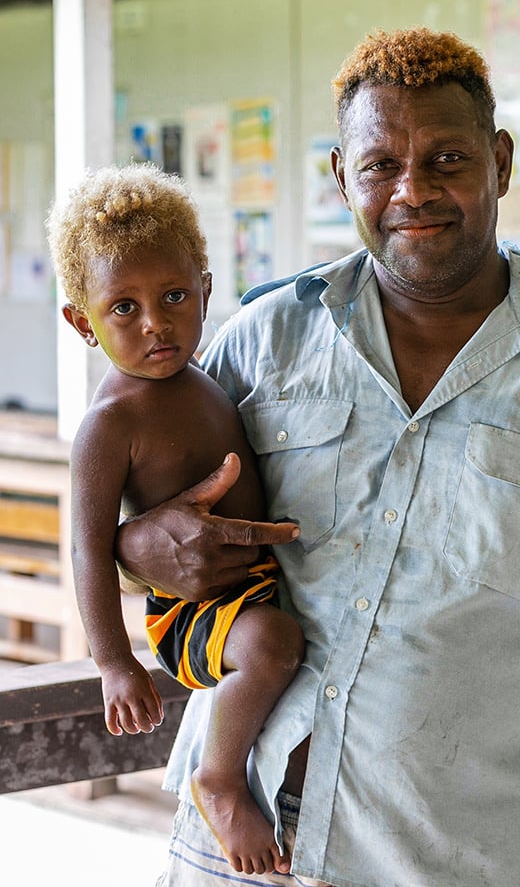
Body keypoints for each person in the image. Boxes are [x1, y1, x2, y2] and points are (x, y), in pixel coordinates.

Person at [113, 27, 520, 886]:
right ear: (340, 177)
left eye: (446, 159)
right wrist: (136, 550)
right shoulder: (263, 338)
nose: (411, 191)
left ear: (501, 163)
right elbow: (143, 526)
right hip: (232, 842)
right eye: (379, 165)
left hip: (448, 856)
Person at [48, 164, 305, 876]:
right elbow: (89, 552)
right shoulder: (109, 424)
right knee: (272, 643)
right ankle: (218, 778)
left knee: (280, 632)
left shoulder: (211, 375)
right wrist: (113, 661)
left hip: (251, 585)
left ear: (206, 288)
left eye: (173, 295)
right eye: (122, 308)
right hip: (191, 615)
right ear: (82, 323)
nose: (156, 322)